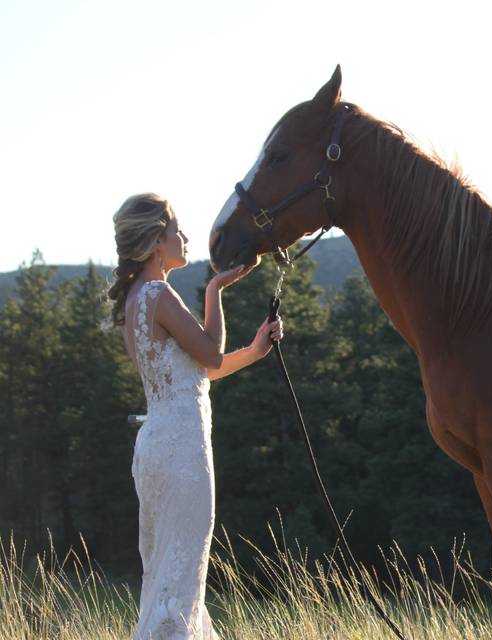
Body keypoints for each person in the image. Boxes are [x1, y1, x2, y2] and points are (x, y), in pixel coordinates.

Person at [107, 193, 282, 639]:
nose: (184, 237)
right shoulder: (158, 293)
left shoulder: (135, 300)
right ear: (154, 242)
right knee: (181, 582)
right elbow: (210, 351)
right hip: (182, 451)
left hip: (158, 447)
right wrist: (214, 290)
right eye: (175, 230)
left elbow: (202, 370)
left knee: (166, 578)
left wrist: (256, 350)